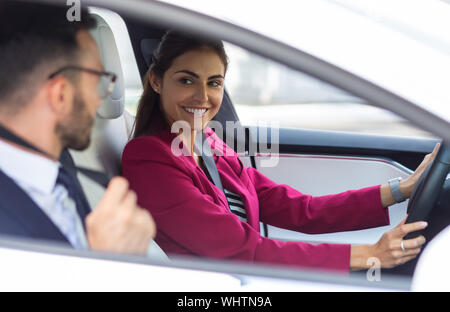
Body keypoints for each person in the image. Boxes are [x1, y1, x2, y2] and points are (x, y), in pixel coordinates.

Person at [122, 30, 437, 272]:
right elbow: (247, 250)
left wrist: (401, 190)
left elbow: (301, 209)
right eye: (187, 80)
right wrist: (370, 254)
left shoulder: (209, 144)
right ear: (156, 81)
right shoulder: (149, 159)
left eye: (214, 83)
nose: (202, 96)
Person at [0, 0, 155, 255]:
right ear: (60, 95)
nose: (100, 97)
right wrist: (107, 261)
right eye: (99, 80)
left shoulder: (57, 170)